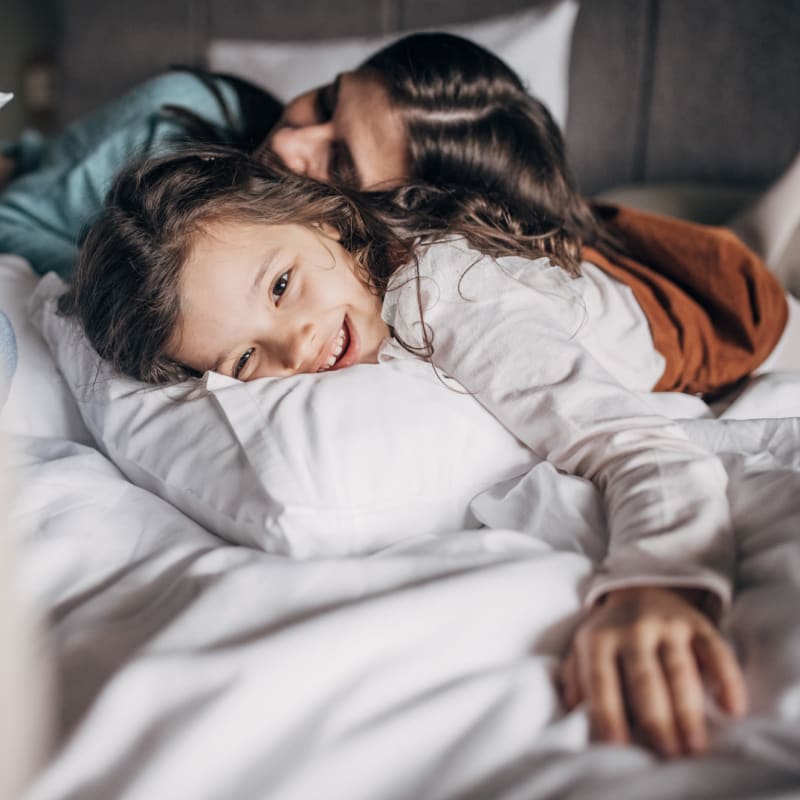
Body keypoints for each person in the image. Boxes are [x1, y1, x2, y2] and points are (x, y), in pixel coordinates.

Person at [62, 142, 799, 759]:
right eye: (247, 360)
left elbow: (630, 440)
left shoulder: (450, 296)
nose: (297, 346)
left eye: (283, 285)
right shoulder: (356, 294)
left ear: (323, 216)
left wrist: (658, 584)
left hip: (694, 300)